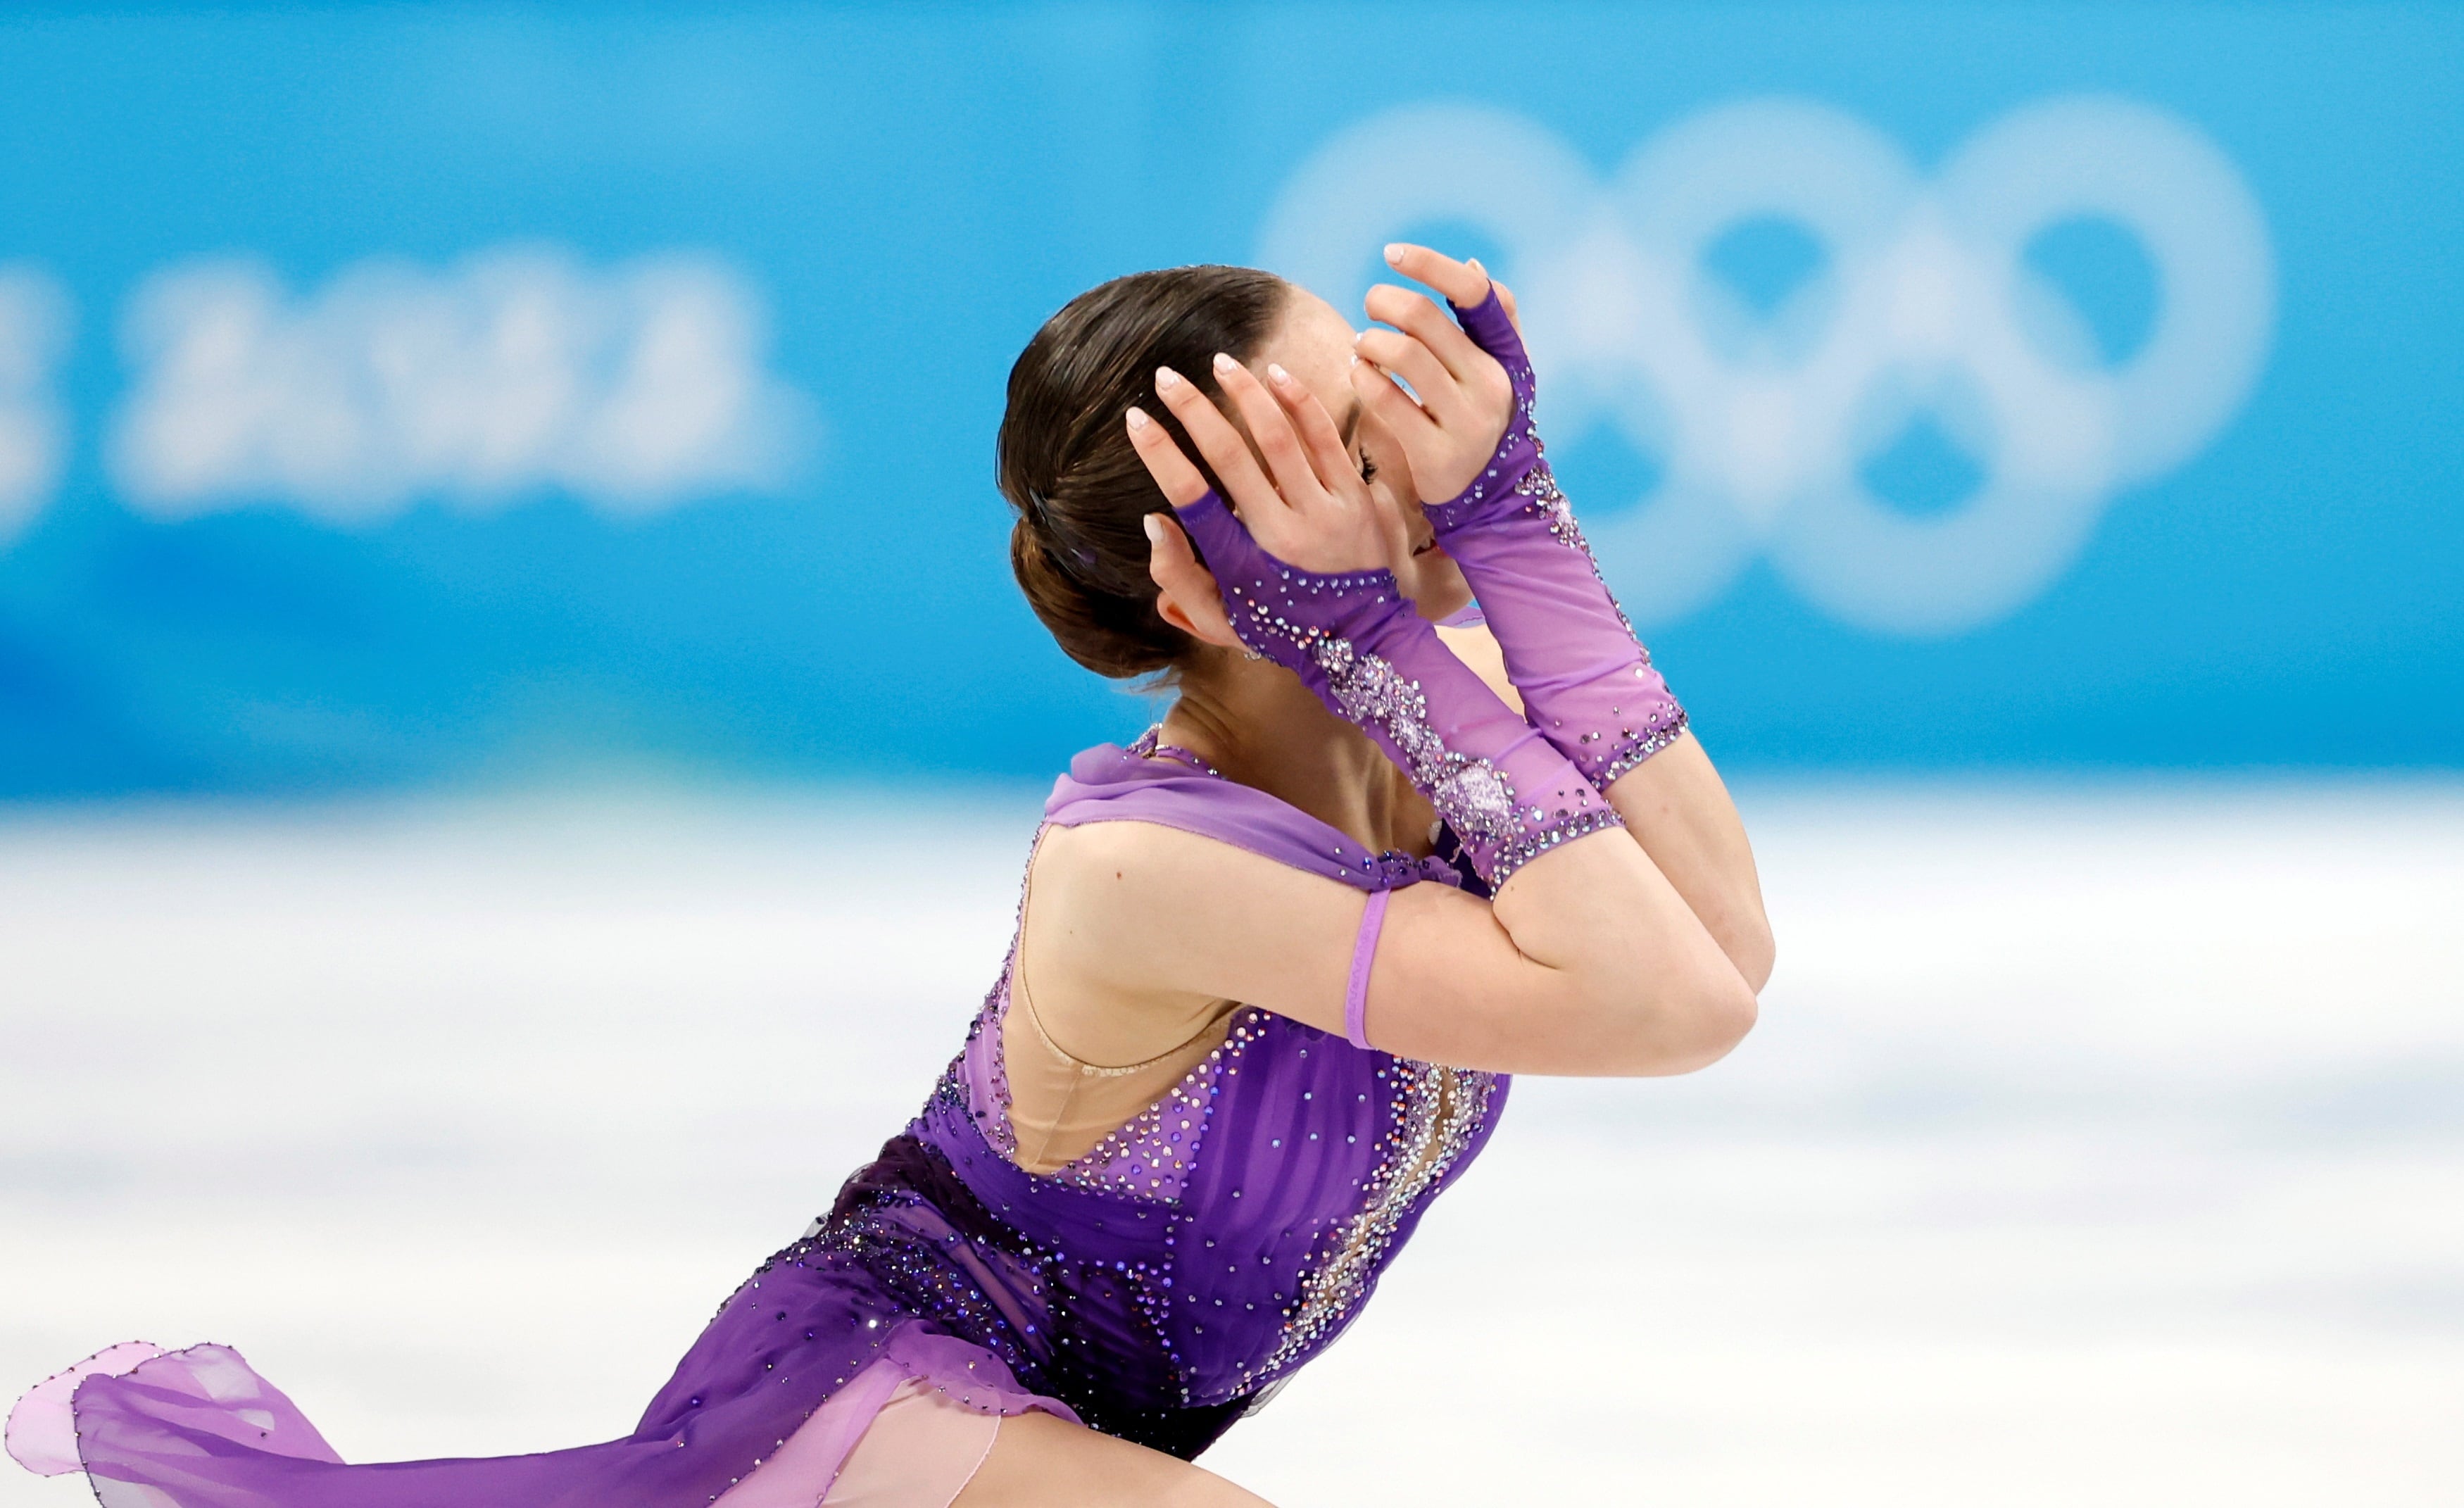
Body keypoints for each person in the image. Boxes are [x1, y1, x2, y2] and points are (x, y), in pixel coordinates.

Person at [6, 245, 1772, 1507]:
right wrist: (1389, 634)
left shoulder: (1449, 777)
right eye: (1327, 446)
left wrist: (1522, 531)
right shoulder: (1144, 866)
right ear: (1196, 578)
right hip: (856, 1424)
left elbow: (1723, 958)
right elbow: (1666, 1005)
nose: (1421, 447)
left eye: (1384, 408)